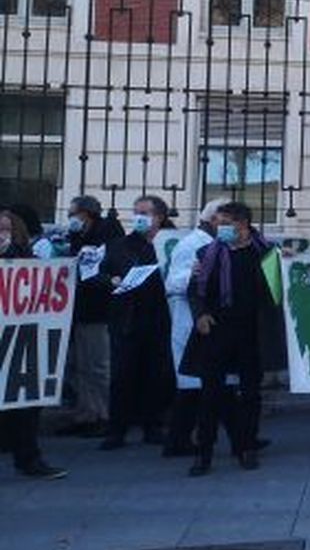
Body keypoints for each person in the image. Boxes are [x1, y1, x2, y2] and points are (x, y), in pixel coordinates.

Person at [183, 202, 274, 476]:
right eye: (217, 223)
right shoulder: (208, 253)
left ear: (242, 225)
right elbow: (194, 289)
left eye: (224, 223)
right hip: (216, 329)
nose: (218, 228)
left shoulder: (266, 254)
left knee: (250, 393)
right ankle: (204, 452)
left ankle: (247, 447)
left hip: (251, 331)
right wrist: (200, 314)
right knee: (210, 392)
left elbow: (277, 291)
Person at [99, 195, 177, 451]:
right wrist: (110, 280)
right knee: (122, 375)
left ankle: (152, 425)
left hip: (159, 317)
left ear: (159, 217)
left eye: (145, 212)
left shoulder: (170, 244)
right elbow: (97, 274)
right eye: (136, 212)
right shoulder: (118, 245)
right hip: (127, 318)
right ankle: (116, 430)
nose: (139, 217)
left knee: (155, 374)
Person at [0, 210, 67, 479]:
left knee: (24, 403)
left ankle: (28, 458)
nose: (1, 235)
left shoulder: (29, 259)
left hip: (18, 342)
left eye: (6, 230)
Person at [57, 195, 123, 438]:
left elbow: (96, 270)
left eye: (73, 213)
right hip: (81, 308)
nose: (70, 218)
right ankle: (86, 412)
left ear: (86, 214)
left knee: (96, 365)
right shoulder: (82, 236)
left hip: (98, 309)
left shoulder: (106, 236)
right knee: (81, 365)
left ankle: (103, 414)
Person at [161, 200, 221, 459]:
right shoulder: (190, 245)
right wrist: (196, 276)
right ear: (211, 221)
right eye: (224, 221)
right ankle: (177, 441)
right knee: (191, 386)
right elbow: (173, 281)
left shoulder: (217, 244)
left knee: (217, 385)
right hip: (189, 319)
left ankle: (243, 437)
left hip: (207, 321)